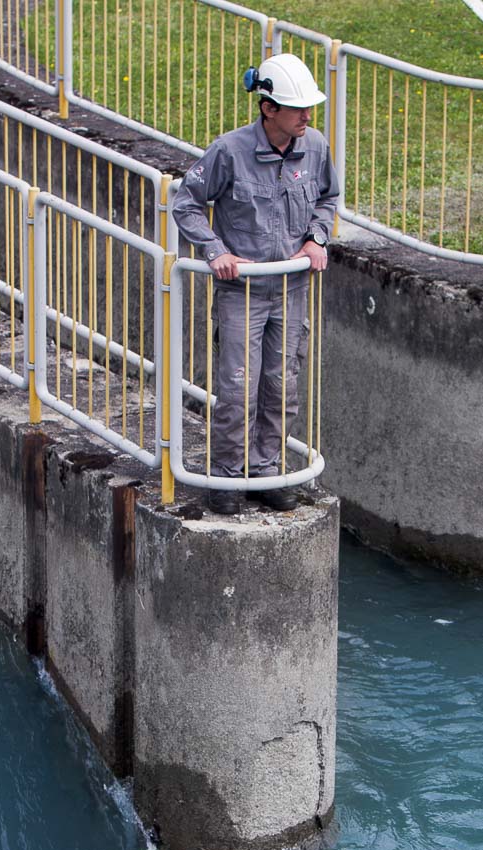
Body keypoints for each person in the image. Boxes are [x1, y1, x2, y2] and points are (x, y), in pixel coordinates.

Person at [169, 52, 339, 516]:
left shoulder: (315, 147)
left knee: (282, 383)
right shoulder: (229, 152)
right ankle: (226, 476)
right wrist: (215, 250)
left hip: (291, 289)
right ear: (268, 108)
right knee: (238, 385)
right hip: (242, 293)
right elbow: (186, 203)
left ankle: (265, 470)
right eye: (296, 107)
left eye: (309, 107)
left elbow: (328, 198)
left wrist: (316, 237)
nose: (307, 116)